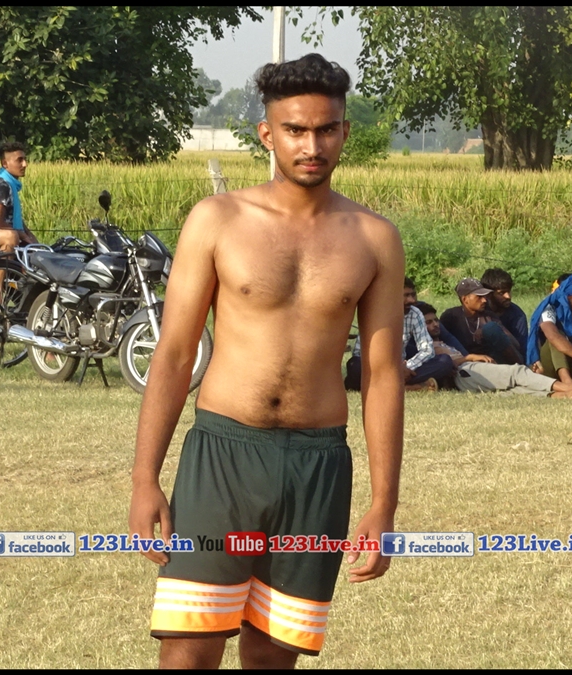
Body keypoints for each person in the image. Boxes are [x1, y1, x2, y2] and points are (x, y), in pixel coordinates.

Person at [128, 54, 404, 668]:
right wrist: (145, 478)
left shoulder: (374, 237)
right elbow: (174, 354)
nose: (312, 145)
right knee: (189, 650)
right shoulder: (218, 220)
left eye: (326, 130)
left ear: (344, 132)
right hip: (223, 454)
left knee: (273, 656)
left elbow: (383, 374)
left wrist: (384, 502)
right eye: (295, 130)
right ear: (267, 134)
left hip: (318, 464)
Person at [418, 302, 572, 398]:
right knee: (516, 373)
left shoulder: (441, 339)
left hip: (468, 374)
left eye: (435, 321)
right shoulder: (425, 346)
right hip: (464, 372)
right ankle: (569, 386)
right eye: (428, 322)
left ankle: (565, 396)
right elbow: (443, 364)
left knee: (514, 391)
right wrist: (470, 357)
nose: (435, 325)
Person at [345, 277, 451, 392]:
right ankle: (408, 387)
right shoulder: (374, 312)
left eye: (413, 295)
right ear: (392, 296)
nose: (411, 300)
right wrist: (391, 369)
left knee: (444, 361)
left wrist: (405, 368)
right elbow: (360, 352)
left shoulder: (414, 313)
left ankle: (387, 385)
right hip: (376, 367)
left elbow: (427, 350)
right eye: (406, 295)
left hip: (404, 366)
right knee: (354, 365)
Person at [439, 278, 523, 364]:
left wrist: (489, 332)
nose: (484, 300)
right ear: (465, 299)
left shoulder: (489, 316)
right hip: (466, 363)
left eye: (484, 296)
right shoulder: (451, 317)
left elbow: (514, 344)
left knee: (490, 328)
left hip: (492, 361)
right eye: (479, 297)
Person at [0, 140, 39, 250]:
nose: (25, 164)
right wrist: (23, 235)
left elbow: (12, 219)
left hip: (15, 239)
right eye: (19, 160)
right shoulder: (2, 186)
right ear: (5, 163)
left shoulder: (9, 184)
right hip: (6, 244)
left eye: (25, 159)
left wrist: (29, 236)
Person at [480, 268, 529, 355]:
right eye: (501, 293)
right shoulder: (480, 310)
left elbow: (522, 348)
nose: (508, 296)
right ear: (488, 294)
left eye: (509, 291)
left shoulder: (517, 315)